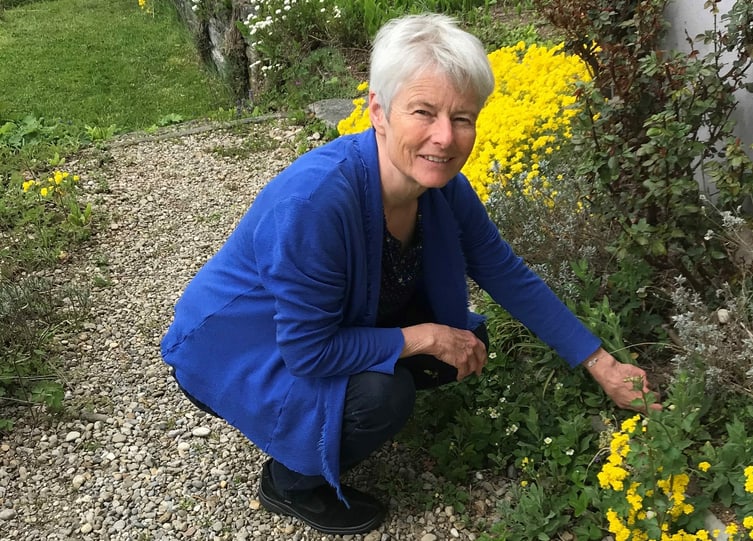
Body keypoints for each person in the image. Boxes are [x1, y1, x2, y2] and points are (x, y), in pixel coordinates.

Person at [160, 12, 657, 536]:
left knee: (464, 338)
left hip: (310, 333)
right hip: (239, 347)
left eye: (463, 117)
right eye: (424, 111)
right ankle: (289, 482)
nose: (445, 137)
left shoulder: (441, 187)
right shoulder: (317, 203)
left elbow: (504, 271)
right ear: (379, 110)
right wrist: (424, 336)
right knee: (385, 394)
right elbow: (306, 352)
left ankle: (331, 420)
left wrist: (600, 363)